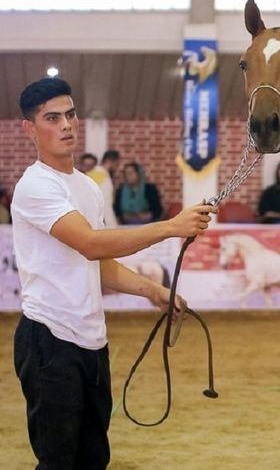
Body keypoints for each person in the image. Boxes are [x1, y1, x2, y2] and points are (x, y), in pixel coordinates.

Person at [11, 77, 216, 469]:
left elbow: (99, 264)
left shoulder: (87, 188)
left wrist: (151, 289)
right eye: (52, 118)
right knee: (57, 461)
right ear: (29, 129)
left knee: (93, 458)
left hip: (92, 340)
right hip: (49, 339)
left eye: (70, 114)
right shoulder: (34, 186)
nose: (67, 125)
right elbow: (89, 243)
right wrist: (171, 226)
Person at [87, 149, 120, 227]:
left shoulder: (90, 174)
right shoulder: (104, 178)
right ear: (109, 161)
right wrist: (112, 226)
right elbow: (106, 205)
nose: (117, 167)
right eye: (117, 163)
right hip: (101, 224)